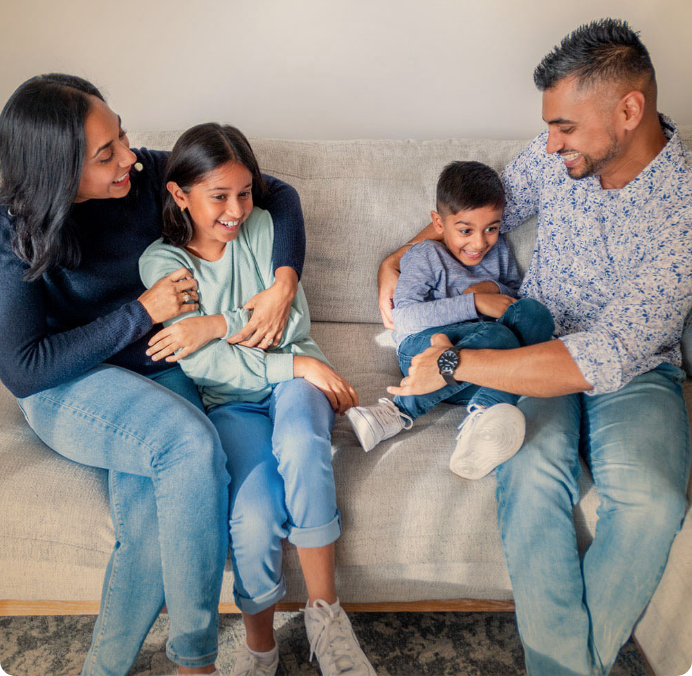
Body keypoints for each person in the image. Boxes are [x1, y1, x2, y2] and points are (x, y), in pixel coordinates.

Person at [378, 19, 692, 676]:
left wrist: (452, 362)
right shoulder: (556, 159)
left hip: (634, 369)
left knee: (656, 501)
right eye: (548, 126)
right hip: (536, 337)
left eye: (565, 127)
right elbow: (479, 212)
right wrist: (402, 255)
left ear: (629, 111)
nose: (549, 144)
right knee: (530, 471)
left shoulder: (684, 208)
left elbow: (601, 357)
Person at [0, 74, 307, 676]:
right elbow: (24, 367)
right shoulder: (15, 229)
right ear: (56, 170)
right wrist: (141, 312)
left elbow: (283, 195)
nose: (128, 158)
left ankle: (103, 668)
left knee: (145, 523)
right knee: (189, 444)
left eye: (122, 137)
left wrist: (284, 281)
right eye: (105, 154)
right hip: (69, 381)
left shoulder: (145, 178)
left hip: (157, 366)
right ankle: (195, 660)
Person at [139, 122, 376, 676]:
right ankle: (260, 647)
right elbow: (198, 359)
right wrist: (292, 357)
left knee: (299, 440)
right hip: (234, 401)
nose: (236, 209)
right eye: (218, 196)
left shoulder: (266, 228)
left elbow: (289, 318)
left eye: (244, 193)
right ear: (179, 194)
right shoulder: (163, 265)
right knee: (253, 511)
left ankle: (326, 613)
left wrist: (218, 324)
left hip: (295, 385)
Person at [346, 161, 554, 480]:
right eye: (466, 230)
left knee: (536, 315)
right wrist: (473, 302)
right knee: (500, 339)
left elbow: (512, 293)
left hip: (479, 372)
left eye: (492, 228)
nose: (480, 243)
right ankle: (399, 411)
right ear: (439, 223)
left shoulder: (498, 251)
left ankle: (482, 422)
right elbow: (405, 318)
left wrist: (492, 288)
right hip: (424, 353)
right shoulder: (425, 255)